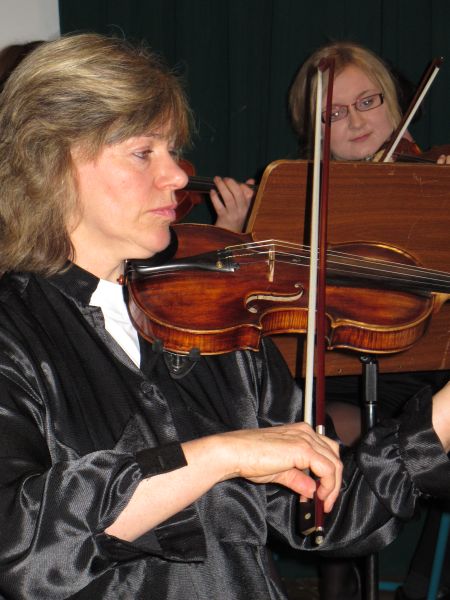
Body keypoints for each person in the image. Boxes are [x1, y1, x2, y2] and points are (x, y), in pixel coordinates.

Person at [0, 33, 450, 600]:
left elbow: (330, 514)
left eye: (171, 150)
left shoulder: (213, 316)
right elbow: (20, 547)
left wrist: (442, 416)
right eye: (143, 152)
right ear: (51, 164)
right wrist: (220, 454)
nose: (177, 176)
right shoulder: (14, 332)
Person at [288, 40, 450, 600]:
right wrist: (244, 227)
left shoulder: (435, 175)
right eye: (334, 113)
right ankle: (336, 575)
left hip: (425, 369)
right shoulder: (304, 194)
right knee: (321, 436)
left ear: (394, 104)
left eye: (367, 102)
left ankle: (421, 586)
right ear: (314, 130)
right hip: (340, 370)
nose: (356, 122)